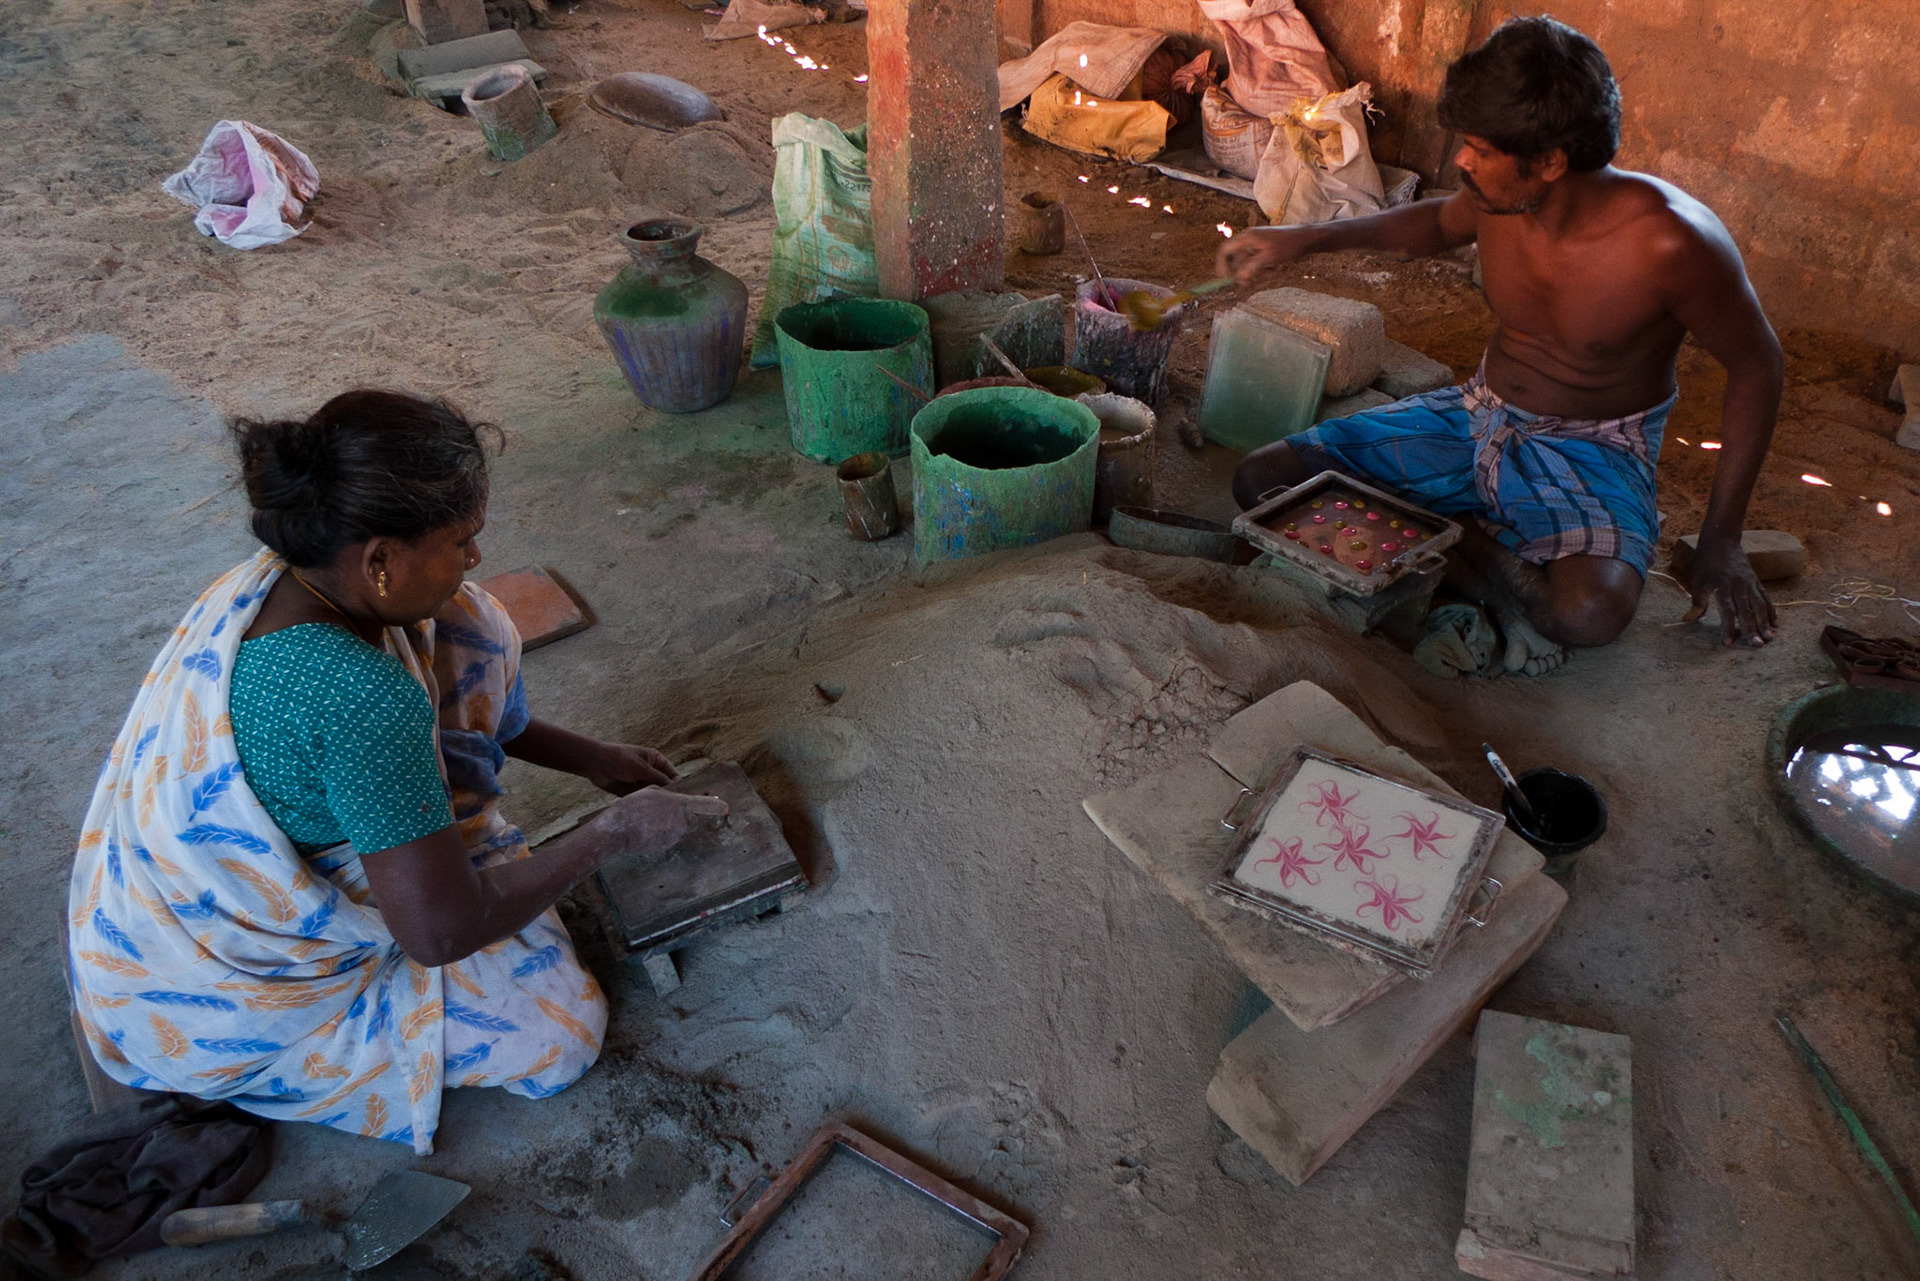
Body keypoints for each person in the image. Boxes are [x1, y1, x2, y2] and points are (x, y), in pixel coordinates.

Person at [67, 390, 726, 1154]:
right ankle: (294, 1050)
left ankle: (439, 850)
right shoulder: (359, 698)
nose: (476, 556)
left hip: (213, 855)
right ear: (379, 559)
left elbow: (460, 656)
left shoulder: (294, 574)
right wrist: (612, 832)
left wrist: (593, 758)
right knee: (562, 1031)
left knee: (472, 618)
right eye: (460, 539)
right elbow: (439, 934)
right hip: (205, 986)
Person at [1218, 15, 1782, 674]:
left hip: (1592, 446)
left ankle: (1440, 542)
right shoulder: (1497, 197)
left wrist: (1722, 539)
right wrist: (1305, 238)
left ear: (1549, 161)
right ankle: (1480, 557)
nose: (1461, 161)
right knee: (1262, 480)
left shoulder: (1672, 244)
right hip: (1474, 413)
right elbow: (1435, 222)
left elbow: (1757, 369)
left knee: (1588, 614)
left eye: (1480, 149)